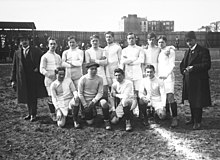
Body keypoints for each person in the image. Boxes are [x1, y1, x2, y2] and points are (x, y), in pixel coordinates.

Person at [11, 34, 47, 122]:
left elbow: (43, 61)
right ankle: (30, 113)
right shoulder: (17, 53)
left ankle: (33, 114)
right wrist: (13, 80)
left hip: (33, 78)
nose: (24, 42)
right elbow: (14, 66)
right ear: (20, 42)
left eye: (26, 40)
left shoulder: (36, 50)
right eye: (22, 40)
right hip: (23, 78)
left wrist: (37, 68)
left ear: (29, 41)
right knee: (26, 95)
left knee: (33, 96)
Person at [180, 31, 211, 130]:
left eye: (190, 41)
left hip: (199, 81)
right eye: (187, 41)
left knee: (198, 101)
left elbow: (207, 65)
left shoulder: (203, 50)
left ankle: (198, 121)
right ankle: (193, 119)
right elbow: (182, 64)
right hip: (189, 81)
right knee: (191, 100)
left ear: (195, 40)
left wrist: (194, 68)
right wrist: (183, 70)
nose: (188, 43)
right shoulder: (187, 51)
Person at [78, 62, 111, 130]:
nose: (94, 71)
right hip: (86, 101)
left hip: (95, 100)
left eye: (95, 69)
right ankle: (91, 112)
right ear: (87, 70)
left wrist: (93, 101)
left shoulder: (100, 79)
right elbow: (80, 93)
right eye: (92, 69)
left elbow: (100, 92)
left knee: (104, 103)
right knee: (90, 122)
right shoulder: (83, 79)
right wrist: (85, 105)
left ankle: (106, 121)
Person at [120, 32, 145, 116]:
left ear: (135, 39)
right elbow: (123, 61)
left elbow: (141, 60)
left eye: (132, 38)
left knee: (139, 93)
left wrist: (130, 61)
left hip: (138, 74)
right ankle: (130, 111)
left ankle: (141, 113)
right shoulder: (124, 50)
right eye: (129, 38)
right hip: (128, 75)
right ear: (127, 40)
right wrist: (134, 59)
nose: (131, 40)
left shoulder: (140, 49)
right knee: (130, 94)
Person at [157, 35, 178, 128]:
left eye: (162, 42)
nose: (160, 44)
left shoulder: (170, 51)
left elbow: (172, 64)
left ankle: (175, 118)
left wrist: (166, 74)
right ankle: (168, 114)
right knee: (163, 96)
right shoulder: (159, 51)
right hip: (160, 77)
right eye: (159, 42)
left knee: (170, 96)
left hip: (168, 77)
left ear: (166, 42)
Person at [40, 37, 62, 121]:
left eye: (54, 44)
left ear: (56, 45)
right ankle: (53, 114)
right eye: (51, 44)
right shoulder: (45, 56)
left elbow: (60, 67)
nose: (53, 45)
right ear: (48, 45)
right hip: (49, 79)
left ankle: (59, 112)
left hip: (57, 79)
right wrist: (49, 75)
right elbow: (41, 69)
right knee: (51, 96)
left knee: (58, 95)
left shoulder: (58, 56)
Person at [85, 34, 108, 99]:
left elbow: (105, 62)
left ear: (99, 41)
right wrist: (100, 61)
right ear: (90, 42)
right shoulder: (87, 51)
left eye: (96, 41)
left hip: (101, 72)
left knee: (104, 90)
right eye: (93, 41)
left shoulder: (103, 50)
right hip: (92, 72)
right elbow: (88, 63)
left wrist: (94, 60)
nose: (95, 42)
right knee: (93, 90)